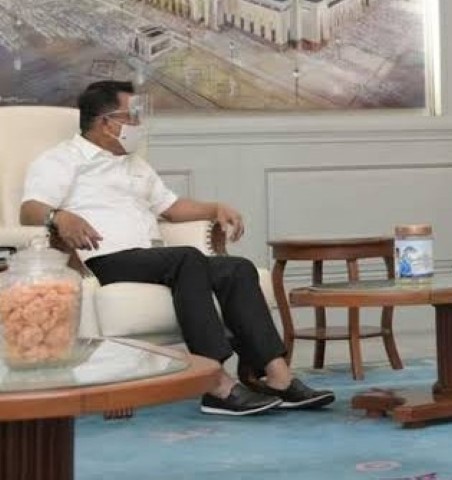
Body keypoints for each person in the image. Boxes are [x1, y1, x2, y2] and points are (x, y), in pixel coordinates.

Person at [20, 80, 335, 415]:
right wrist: (59, 216)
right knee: (186, 259)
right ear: (106, 122)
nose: (138, 124)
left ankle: (278, 378)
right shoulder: (63, 159)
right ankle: (214, 383)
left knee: (237, 269)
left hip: (153, 258)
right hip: (104, 258)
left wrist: (214, 208)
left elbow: (170, 208)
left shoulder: (134, 164)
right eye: (132, 116)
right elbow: (29, 209)